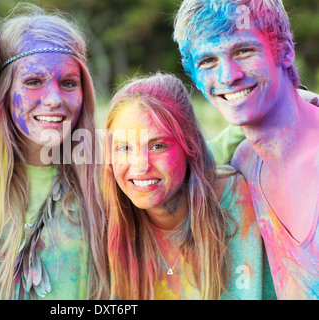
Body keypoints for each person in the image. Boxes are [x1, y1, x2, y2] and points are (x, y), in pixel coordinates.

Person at [0, 4, 109, 300]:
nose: (54, 99)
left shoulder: (106, 172)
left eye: (68, 83)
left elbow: (189, 159)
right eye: (33, 82)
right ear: (4, 91)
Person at [173, 0, 319, 299]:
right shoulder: (243, 162)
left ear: (286, 51)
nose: (228, 76)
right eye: (207, 61)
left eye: (244, 50)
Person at [104, 71, 275, 299]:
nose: (139, 166)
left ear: (189, 145)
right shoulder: (106, 218)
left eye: (157, 146)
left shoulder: (238, 200)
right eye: (124, 148)